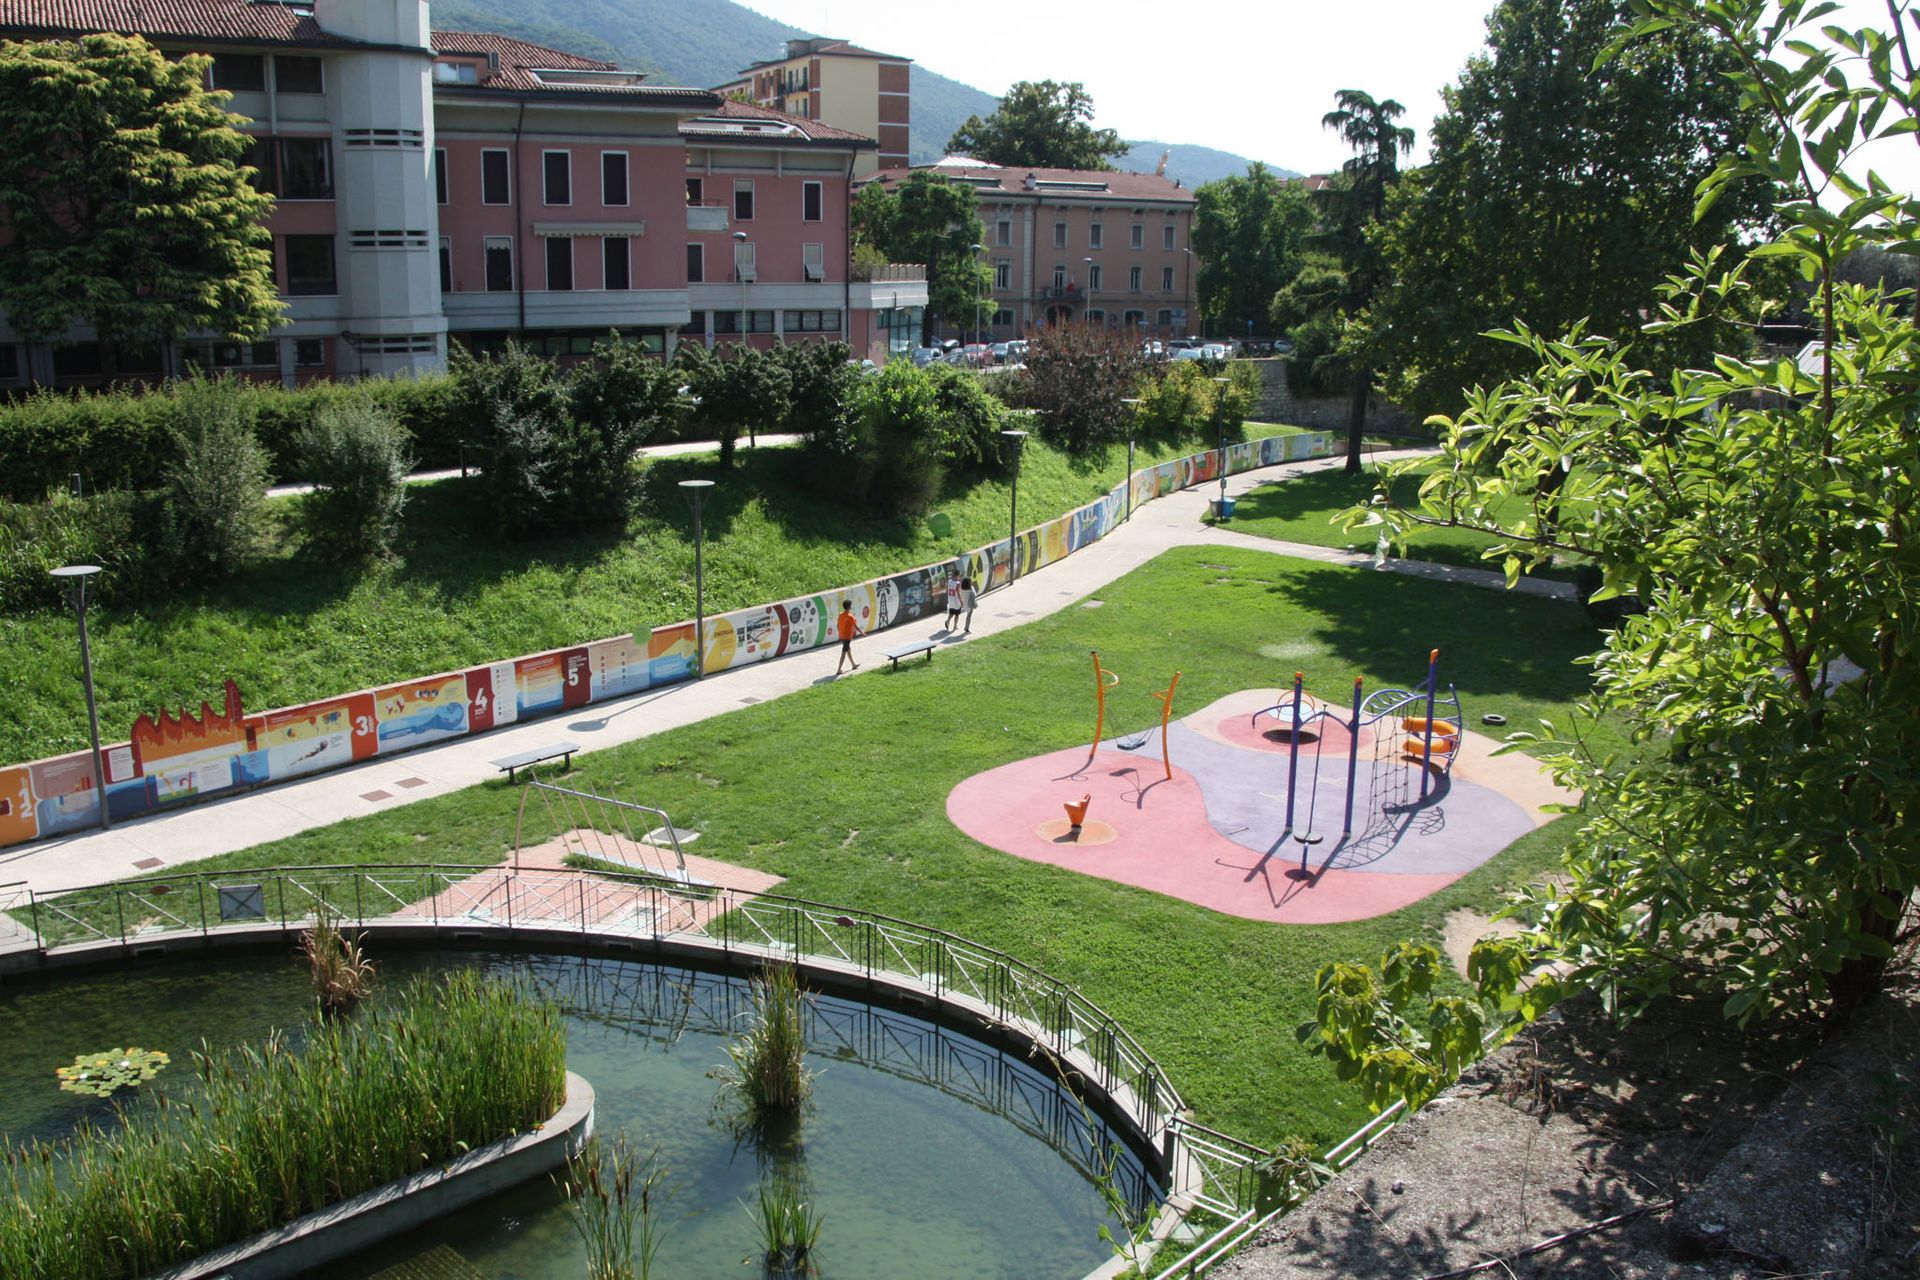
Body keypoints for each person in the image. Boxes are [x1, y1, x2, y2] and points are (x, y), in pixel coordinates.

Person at [835, 599, 861, 674]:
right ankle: (838, 670)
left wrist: (840, 631)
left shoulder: (840, 614)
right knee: (844, 652)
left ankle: (853, 664)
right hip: (847, 637)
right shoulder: (850, 616)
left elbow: (838, 624)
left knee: (848, 649)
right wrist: (862, 633)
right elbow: (855, 626)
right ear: (849, 607)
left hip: (842, 635)